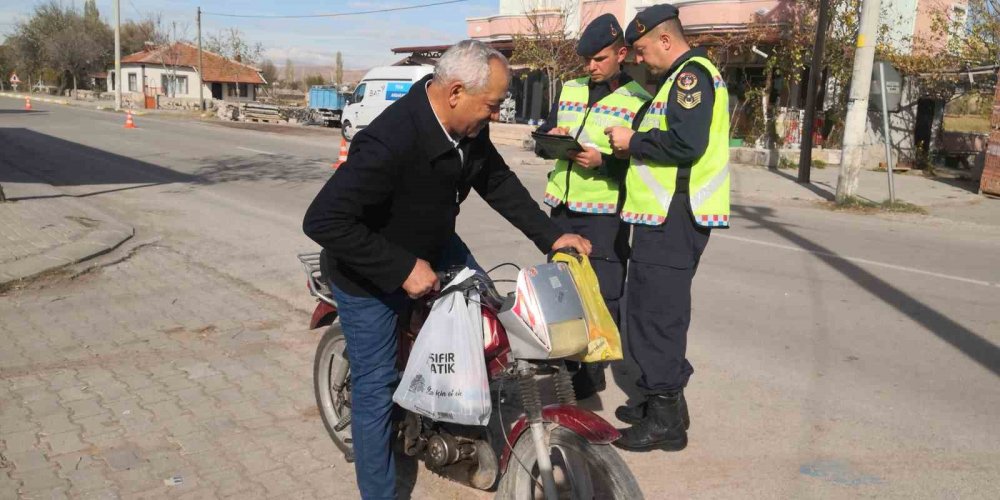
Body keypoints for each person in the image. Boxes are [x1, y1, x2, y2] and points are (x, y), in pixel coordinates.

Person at [302, 40, 591, 499]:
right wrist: (400, 268)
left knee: (492, 324)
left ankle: (461, 418)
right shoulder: (390, 139)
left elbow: (496, 180)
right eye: (492, 105)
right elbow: (322, 220)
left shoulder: (467, 129)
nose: (495, 115)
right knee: (377, 389)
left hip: (435, 246)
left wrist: (550, 236)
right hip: (367, 269)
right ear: (455, 92)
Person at [604, 4, 731, 452]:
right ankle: (663, 402)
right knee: (646, 309)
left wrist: (631, 141)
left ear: (664, 40)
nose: (639, 58)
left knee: (657, 316)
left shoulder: (691, 76)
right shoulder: (675, 80)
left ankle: (665, 421)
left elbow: (685, 141)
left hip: (675, 214)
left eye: (641, 49)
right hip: (663, 215)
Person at [535, 14, 651, 400]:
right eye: (586, 59)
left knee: (603, 294)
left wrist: (606, 162)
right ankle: (569, 366)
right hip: (563, 209)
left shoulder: (639, 100)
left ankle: (593, 369)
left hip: (604, 215)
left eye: (599, 59)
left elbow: (645, 163)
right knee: (563, 293)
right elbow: (541, 140)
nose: (591, 66)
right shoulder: (570, 89)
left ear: (622, 53)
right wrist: (549, 138)